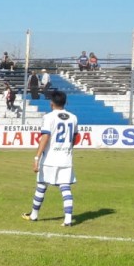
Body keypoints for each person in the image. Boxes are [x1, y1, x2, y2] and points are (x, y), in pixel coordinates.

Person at [23, 90, 77, 227]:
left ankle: (34, 215)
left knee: (41, 185)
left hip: (50, 159)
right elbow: (74, 138)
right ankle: (68, 219)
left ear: (51, 103)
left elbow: (45, 138)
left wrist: (37, 157)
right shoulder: (73, 117)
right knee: (65, 188)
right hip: (66, 158)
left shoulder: (49, 117)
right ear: (64, 102)